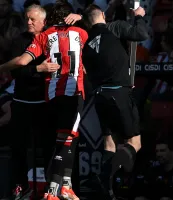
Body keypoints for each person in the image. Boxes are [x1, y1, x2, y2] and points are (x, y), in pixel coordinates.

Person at [0, 2, 88, 200]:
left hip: (46, 102)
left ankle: (54, 188)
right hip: (24, 101)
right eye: (26, 19)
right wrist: (37, 69)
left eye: (33, 19)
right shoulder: (21, 40)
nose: (28, 22)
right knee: (19, 149)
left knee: (52, 146)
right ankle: (21, 187)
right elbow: (18, 68)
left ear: (44, 21)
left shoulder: (47, 36)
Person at [81, 4, 148, 200]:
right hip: (118, 93)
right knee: (134, 143)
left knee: (109, 144)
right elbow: (141, 34)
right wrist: (139, 17)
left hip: (99, 96)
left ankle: (106, 189)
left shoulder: (87, 42)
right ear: (102, 15)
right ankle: (104, 176)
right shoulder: (114, 27)